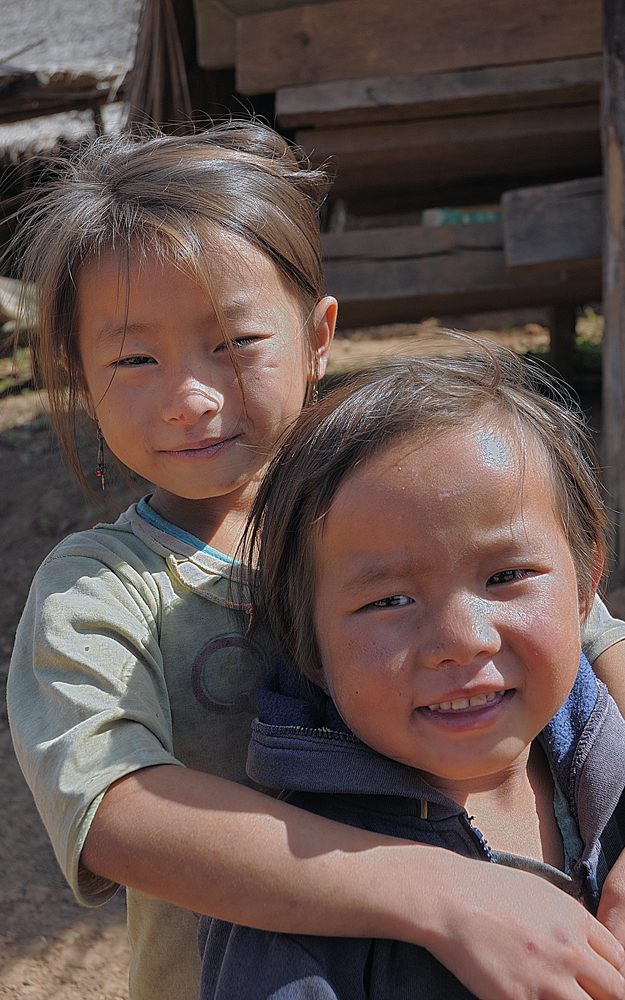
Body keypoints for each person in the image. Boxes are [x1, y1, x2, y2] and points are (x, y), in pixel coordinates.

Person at [5, 124, 625, 1000]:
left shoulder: (403, 499)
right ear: (76, 371)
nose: (190, 397)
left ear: (317, 333)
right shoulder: (101, 593)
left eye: (235, 343)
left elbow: (592, 634)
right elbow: (110, 810)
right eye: (134, 358)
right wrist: (435, 892)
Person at [198, 346, 625, 999]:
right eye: (388, 601)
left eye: (505, 576)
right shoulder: (286, 901)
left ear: (583, 582)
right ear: (306, 642)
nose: (459, 642)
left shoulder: (610, 743)